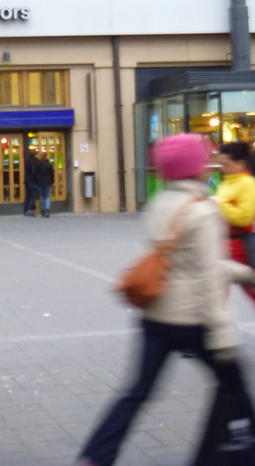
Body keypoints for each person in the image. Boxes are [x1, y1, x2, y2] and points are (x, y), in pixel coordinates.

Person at [76, 134, 255, 466]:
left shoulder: (160, 204)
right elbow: (205, 276)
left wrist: (244, 274)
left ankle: (96, 457)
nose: (210, 164)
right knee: (234, 382)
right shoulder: (202, 211)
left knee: (137, 392)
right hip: (192, 322)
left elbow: (185, 262)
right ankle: (227, 454)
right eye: (205, 159)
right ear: (194, 167)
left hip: (154, 316)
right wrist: (224, 336)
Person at [216, 141, 255, 304]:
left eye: (226, 164)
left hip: (240, 246)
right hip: (225, 244)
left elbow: (244, 217)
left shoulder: (247, 184)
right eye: (221, 164)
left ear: (240, 163)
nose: (222, 168)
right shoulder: (227, 182)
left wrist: (219, 206)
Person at [37, 153, 55, 219]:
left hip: (40, 182)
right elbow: (52, 174)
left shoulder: (39, 164)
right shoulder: (49, 165)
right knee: (47, 196)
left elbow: (36, 173)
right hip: (48, 182)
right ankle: (47, 210)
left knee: (42, 196)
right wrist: (52, 181)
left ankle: (43, 210)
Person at [23, 149, 39, 217]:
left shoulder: (27, 161)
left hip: (27, 181)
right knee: (33, 196)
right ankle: (30, 210)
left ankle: (26, 210)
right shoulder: (35, 162)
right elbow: (34, 172)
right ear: (35, 155)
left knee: (28, 196)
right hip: (33, 181)